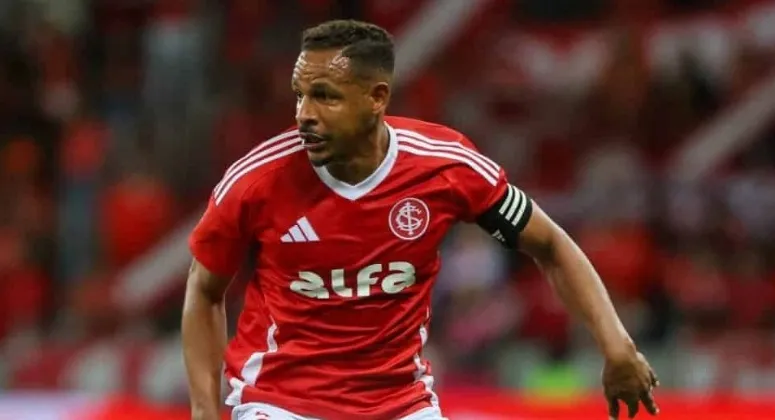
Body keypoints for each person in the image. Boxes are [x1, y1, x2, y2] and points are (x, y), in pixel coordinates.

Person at [182, 20, 660, 420]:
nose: (304, 114)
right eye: (299, 95)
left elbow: (551, 245)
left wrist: (617, 346)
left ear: (377, 97)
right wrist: (205, 413)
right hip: (281, 404)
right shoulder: (256, 181)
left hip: (401, 405)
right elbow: (204, 290)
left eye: (325, 96)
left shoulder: (445, 167)